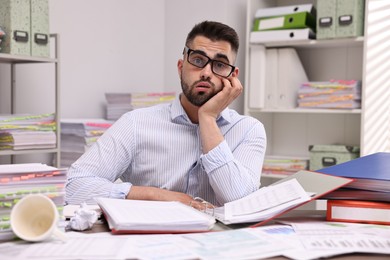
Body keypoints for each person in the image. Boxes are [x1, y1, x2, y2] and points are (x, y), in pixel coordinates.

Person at [65, 20, 266, 208]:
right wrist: (155, 195)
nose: (206, 72)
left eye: (220, 65)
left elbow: (241, 203)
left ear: (232, 77)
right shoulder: (136, 123)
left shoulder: (249, 130)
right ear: (181, 68)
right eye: (197, 60)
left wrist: (208, 118)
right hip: (149, 242)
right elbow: (72, 186)